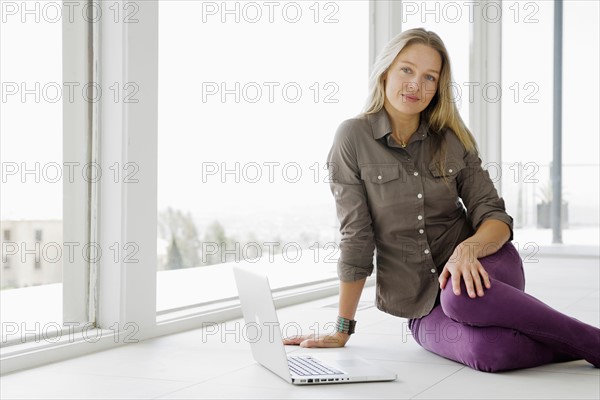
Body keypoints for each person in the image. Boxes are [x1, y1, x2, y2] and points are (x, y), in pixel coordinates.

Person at [283, 28, 600, 372]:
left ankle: (593, 341)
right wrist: (341, 330)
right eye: (407, 70)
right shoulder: (352, 137)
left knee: (461, 295)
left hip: (486, 267)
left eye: (429, 77)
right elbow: (356, 237)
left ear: (438, 87)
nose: (415, 85)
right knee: (492, 354)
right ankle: (568, 341)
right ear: (386, 70)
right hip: (422, 305)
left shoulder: (451, 138)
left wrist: (468, 250)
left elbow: (494, 216)